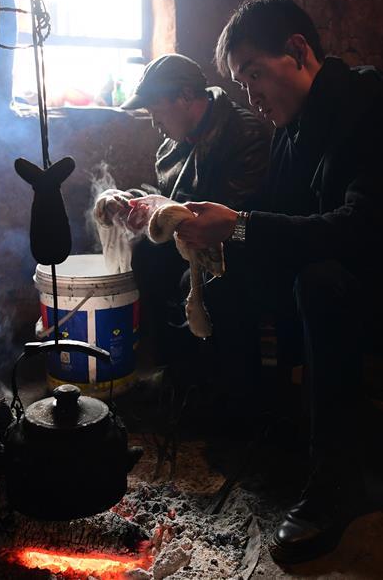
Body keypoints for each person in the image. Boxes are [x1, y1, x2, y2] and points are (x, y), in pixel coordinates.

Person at [175, 0, 383, 563]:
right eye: (241, 85)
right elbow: (272, 211)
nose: (250, 96)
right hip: (346, 290)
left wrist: (239, 225)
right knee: (229, 272)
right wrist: (201, 222)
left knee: (319, 280)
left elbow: (359, 231)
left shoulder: (382, 108)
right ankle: (257, 416)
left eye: (254, 75)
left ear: (298, 50)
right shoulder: (293, 128)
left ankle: (334, 482)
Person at [109, 53, 271, 410]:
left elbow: (232, 215)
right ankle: (178, 373)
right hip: (190, 239)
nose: (154, 122)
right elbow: (173, 198)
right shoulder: (174, 143)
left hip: (242, 244)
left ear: (185, 97)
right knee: (147, 257)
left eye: (156, 109)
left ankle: (225, 394)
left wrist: (166, 213)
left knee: (198, 281)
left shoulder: (245, 134)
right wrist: (137, 204)